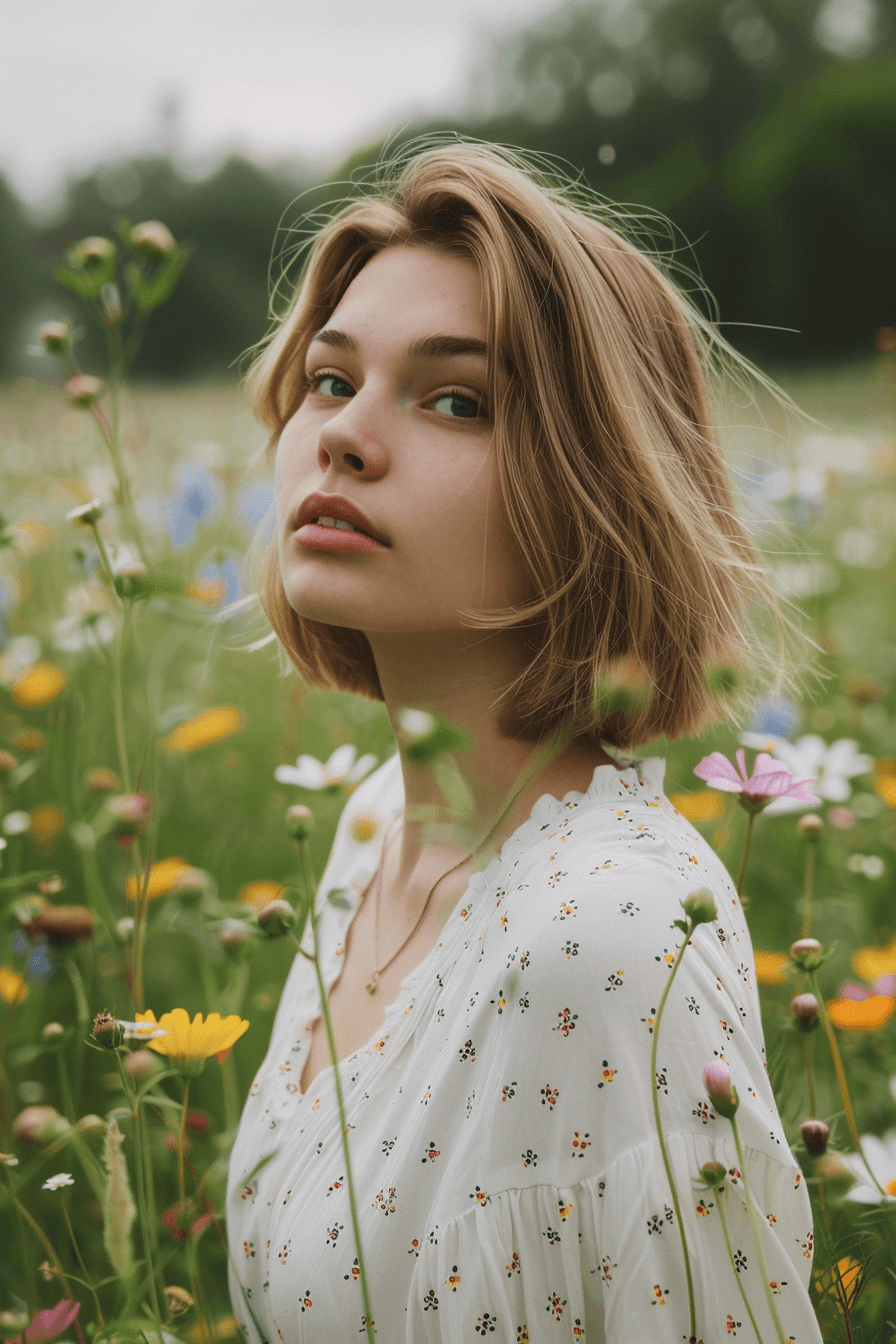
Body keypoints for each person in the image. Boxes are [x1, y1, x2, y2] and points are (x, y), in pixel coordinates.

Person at [226, 137, 822, 1343]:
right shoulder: (370, 836)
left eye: (455, 399)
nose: (342, 437)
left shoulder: (606, 936)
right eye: (331, 382)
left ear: (592, 485)